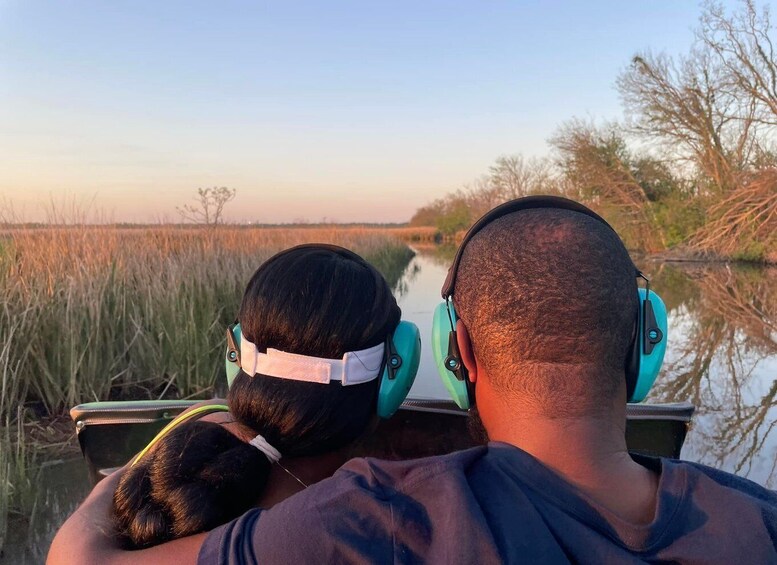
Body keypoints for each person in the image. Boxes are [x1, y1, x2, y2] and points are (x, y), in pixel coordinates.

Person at [50, 197, 777, 564]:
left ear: (455, 351)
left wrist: (108, 488)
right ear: (645, 341)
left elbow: (80, 560)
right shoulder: (759, 522)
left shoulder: (379, 515)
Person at [102, 243, 414, 549]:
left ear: (235, 356)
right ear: (393, 378)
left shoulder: (177, 460)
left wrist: (193, 420)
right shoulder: (372, 527)